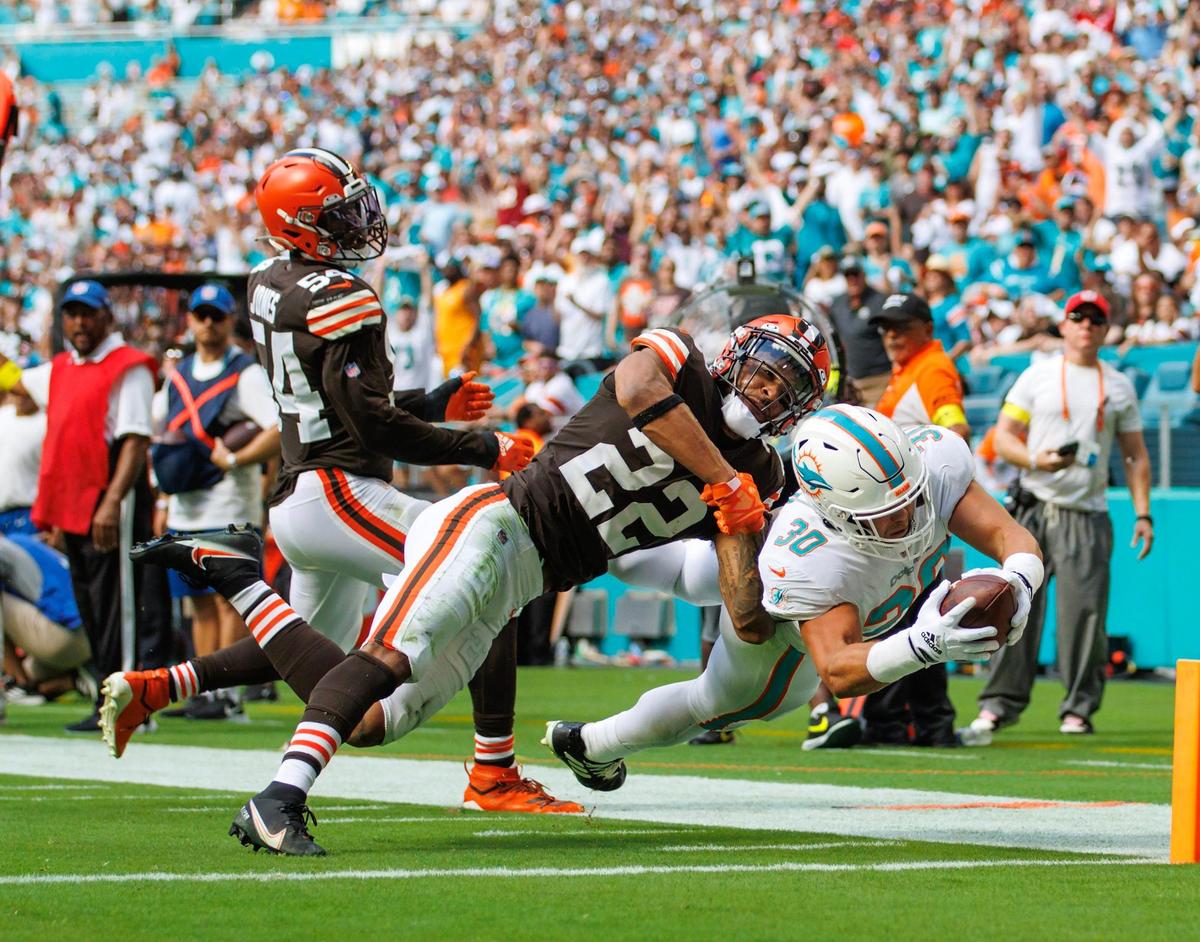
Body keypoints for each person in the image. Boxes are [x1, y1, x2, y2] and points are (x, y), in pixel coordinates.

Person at [133, 315, 831, 854]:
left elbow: (743, 615)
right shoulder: (678, 361)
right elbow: (640, 386)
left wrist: (741, 525)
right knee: (390, 656)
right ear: (735, 356)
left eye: (788, 390)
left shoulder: (760, 475)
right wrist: (720, 478)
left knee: (378, 722)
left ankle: (240, 583)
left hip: (526, 580)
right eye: (768, 371)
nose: (768, 392)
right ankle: (276, 801)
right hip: (491, 523)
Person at [102, 149, 539, 805]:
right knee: (488, 564)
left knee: (310, 652)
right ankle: (494, 771)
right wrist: (486, 445)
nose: (358, 222)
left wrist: (428, 402)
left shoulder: (267, 280)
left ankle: (160, 687)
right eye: (339, 213)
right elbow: (373, 428)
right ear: (299, 222)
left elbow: (330, 402)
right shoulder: (341, 297)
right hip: (340, 492)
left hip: (306, 493)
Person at [543, 405, 1042, 788]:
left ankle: (578, 538)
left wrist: (1019, 581)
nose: (906, 520)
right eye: (884, 514)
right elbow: (838, 670)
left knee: (692, 570)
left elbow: (1008, 535)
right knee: (718, 701)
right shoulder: (816, 557)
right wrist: (924, 646)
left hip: (783, 551)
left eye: (910, 498)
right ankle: (591, 744)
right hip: (780, 623)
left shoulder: (934, 465)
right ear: (836, 512)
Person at [963, 290, 1152, 741]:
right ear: (1063, 326)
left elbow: (1136, 456)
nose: (1086, 325)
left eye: (1095, 319)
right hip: (1032, 506)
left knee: (1084, 615)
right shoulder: (1038, 375)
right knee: (1012, 606)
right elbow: (1003, 437)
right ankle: (998, 705)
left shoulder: (1119, 385)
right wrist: (1035, 459)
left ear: (1105, 330)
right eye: (1077, 317)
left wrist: (1144, 514)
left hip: (1086, 511)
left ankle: (1078, 708)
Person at [0, 279, 156, 733]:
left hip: (110, 497)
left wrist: (111, 503)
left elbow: (134, 441)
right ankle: (108, 699)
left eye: (88, 313)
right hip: (73, 501)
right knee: (92, 603)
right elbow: (18, 384)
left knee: (118, 604)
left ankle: (131, 702)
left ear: (107, 315)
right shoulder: (63, 366)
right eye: (71, 314)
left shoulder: (128, 366)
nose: (79, 323)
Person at [148, 283, 281, 720]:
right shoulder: (178, 374)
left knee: (230, 601)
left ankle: (229, 694)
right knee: (198, 604)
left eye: (216, 316)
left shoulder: (245, 372)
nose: (207, 323)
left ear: (229, 321)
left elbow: (276, 428)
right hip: (186, 504)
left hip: (229, 505)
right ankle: (202, 690)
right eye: (201, 315)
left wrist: (237, 457)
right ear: (190, 320)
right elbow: (161, 433)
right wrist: (164, 497)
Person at [0, 533, 91, 719]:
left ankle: (17, 684)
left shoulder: (5, 548)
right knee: (32, 670)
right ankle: (74, 680)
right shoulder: (24, 540)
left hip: (63, 638)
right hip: (91, 640)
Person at [872, 293, 971, 440]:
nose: (891, 334)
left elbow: (957, 433)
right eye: (885, 328)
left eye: (901, 326)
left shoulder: (932, 368)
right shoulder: (910, 363)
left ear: (928, 330)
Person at [825, 255, 891, 406]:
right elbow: (835, 340)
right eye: (848, 275)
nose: (852, 279)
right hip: (854, 382)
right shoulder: (838, 304)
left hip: (881, 379)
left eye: (855, 274)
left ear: (863, 275)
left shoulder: (879, 300)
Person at [0, 389, 44, 536]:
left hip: (29, 513)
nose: (21, 398)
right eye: (16, 392)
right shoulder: (4, 416)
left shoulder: (46, 422)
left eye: (25, 393)